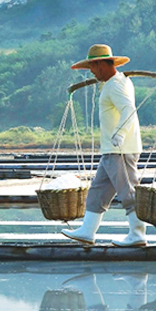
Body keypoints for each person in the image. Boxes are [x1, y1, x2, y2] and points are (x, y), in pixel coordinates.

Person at [62, 44, 148, 247]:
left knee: (128, 191)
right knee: (98, 191)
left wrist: (119, 135)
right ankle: (87, 231)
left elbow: (128, 110)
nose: (91, 71)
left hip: (121, 148)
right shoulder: (114, 82)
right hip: (111, 149)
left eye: (92, 67)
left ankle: (138, 234)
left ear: (101, 64)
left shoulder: (116, 84)